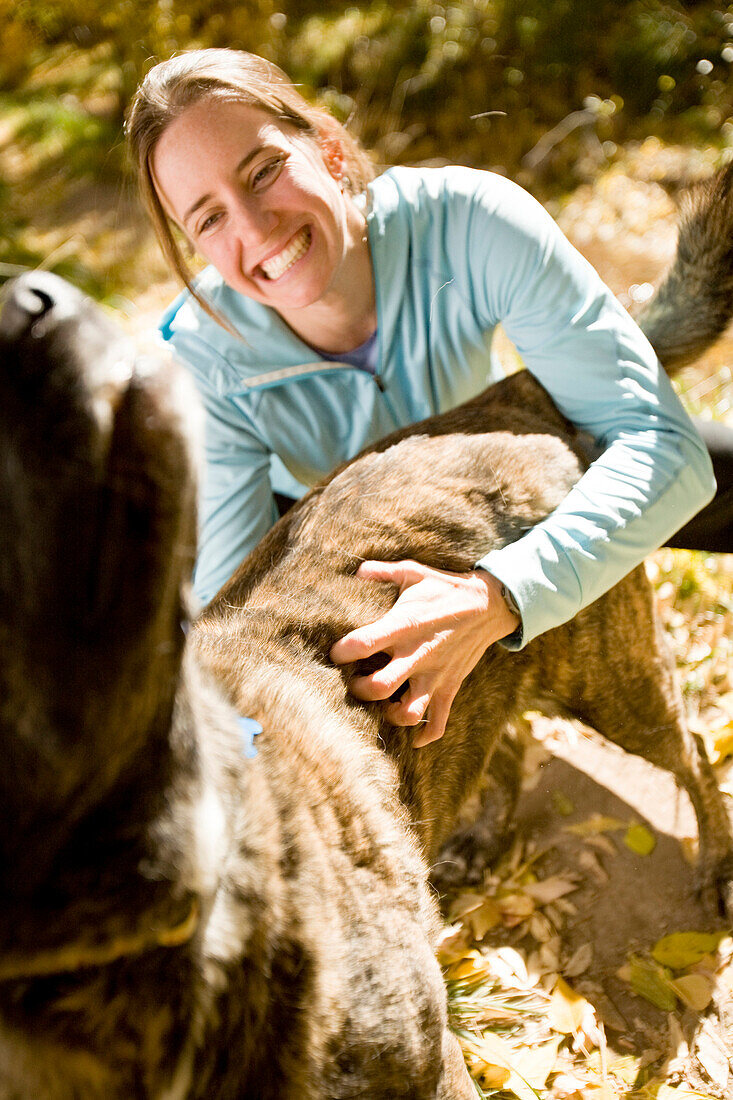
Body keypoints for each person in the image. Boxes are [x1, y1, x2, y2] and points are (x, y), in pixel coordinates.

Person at [127, 48, 725, 748]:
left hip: (484, 464)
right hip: (325, 530)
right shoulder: (203, 362)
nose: (254, 230)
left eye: (263, 171)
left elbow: (662, 446)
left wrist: (499, 593)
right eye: (207, 219)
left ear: (326, 149)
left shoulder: (467, 221)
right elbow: (231, 609)